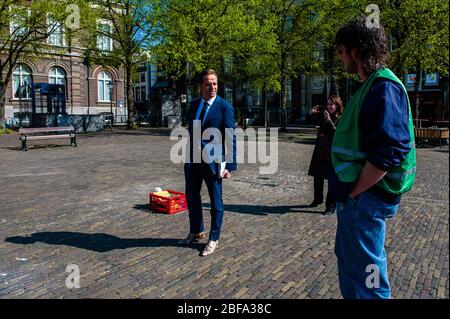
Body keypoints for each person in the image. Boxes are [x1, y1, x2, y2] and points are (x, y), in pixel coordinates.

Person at [331, 16, 416, 298]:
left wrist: (355, 192)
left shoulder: (383, 87)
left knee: (368, 279)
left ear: (356, 51)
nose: (341, 58)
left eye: (342, 51)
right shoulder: (372, 86)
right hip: (360, 200)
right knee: (354, 267)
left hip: (365, 200)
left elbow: (388, 152)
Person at [179, 68, 237, 256]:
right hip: (193, 161)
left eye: (215, 83)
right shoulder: (194, 104)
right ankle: (197, 232)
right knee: (192, 198)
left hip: (213, 162)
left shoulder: (224, 107)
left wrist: (230, 165)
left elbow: (231, 137)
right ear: (201, 86)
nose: (212, 87)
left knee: (215, 203)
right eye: (208, 84)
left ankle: (214, 238)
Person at [307, 95, 344, 215]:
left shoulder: (340, 119)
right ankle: (317, 199)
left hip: (331, 154)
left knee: (332, 181)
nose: (329, 106)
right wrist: (311, 113)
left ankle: (331, 206)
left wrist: (328, 120)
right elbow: (311, 120)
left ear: (337, 106)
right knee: (317, 177)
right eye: (327, 104)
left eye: (331, 104)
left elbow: (337, 134)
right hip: (320, 151)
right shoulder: (323, 116)